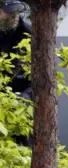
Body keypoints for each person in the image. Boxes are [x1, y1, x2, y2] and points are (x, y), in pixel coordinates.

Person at [1, 0, 32, 146]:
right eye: (9, 12)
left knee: (23, 146)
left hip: (22, 103)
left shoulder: (29, 34)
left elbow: (44, 78)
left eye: (16, 12)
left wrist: (24, 98)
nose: (14, 16)